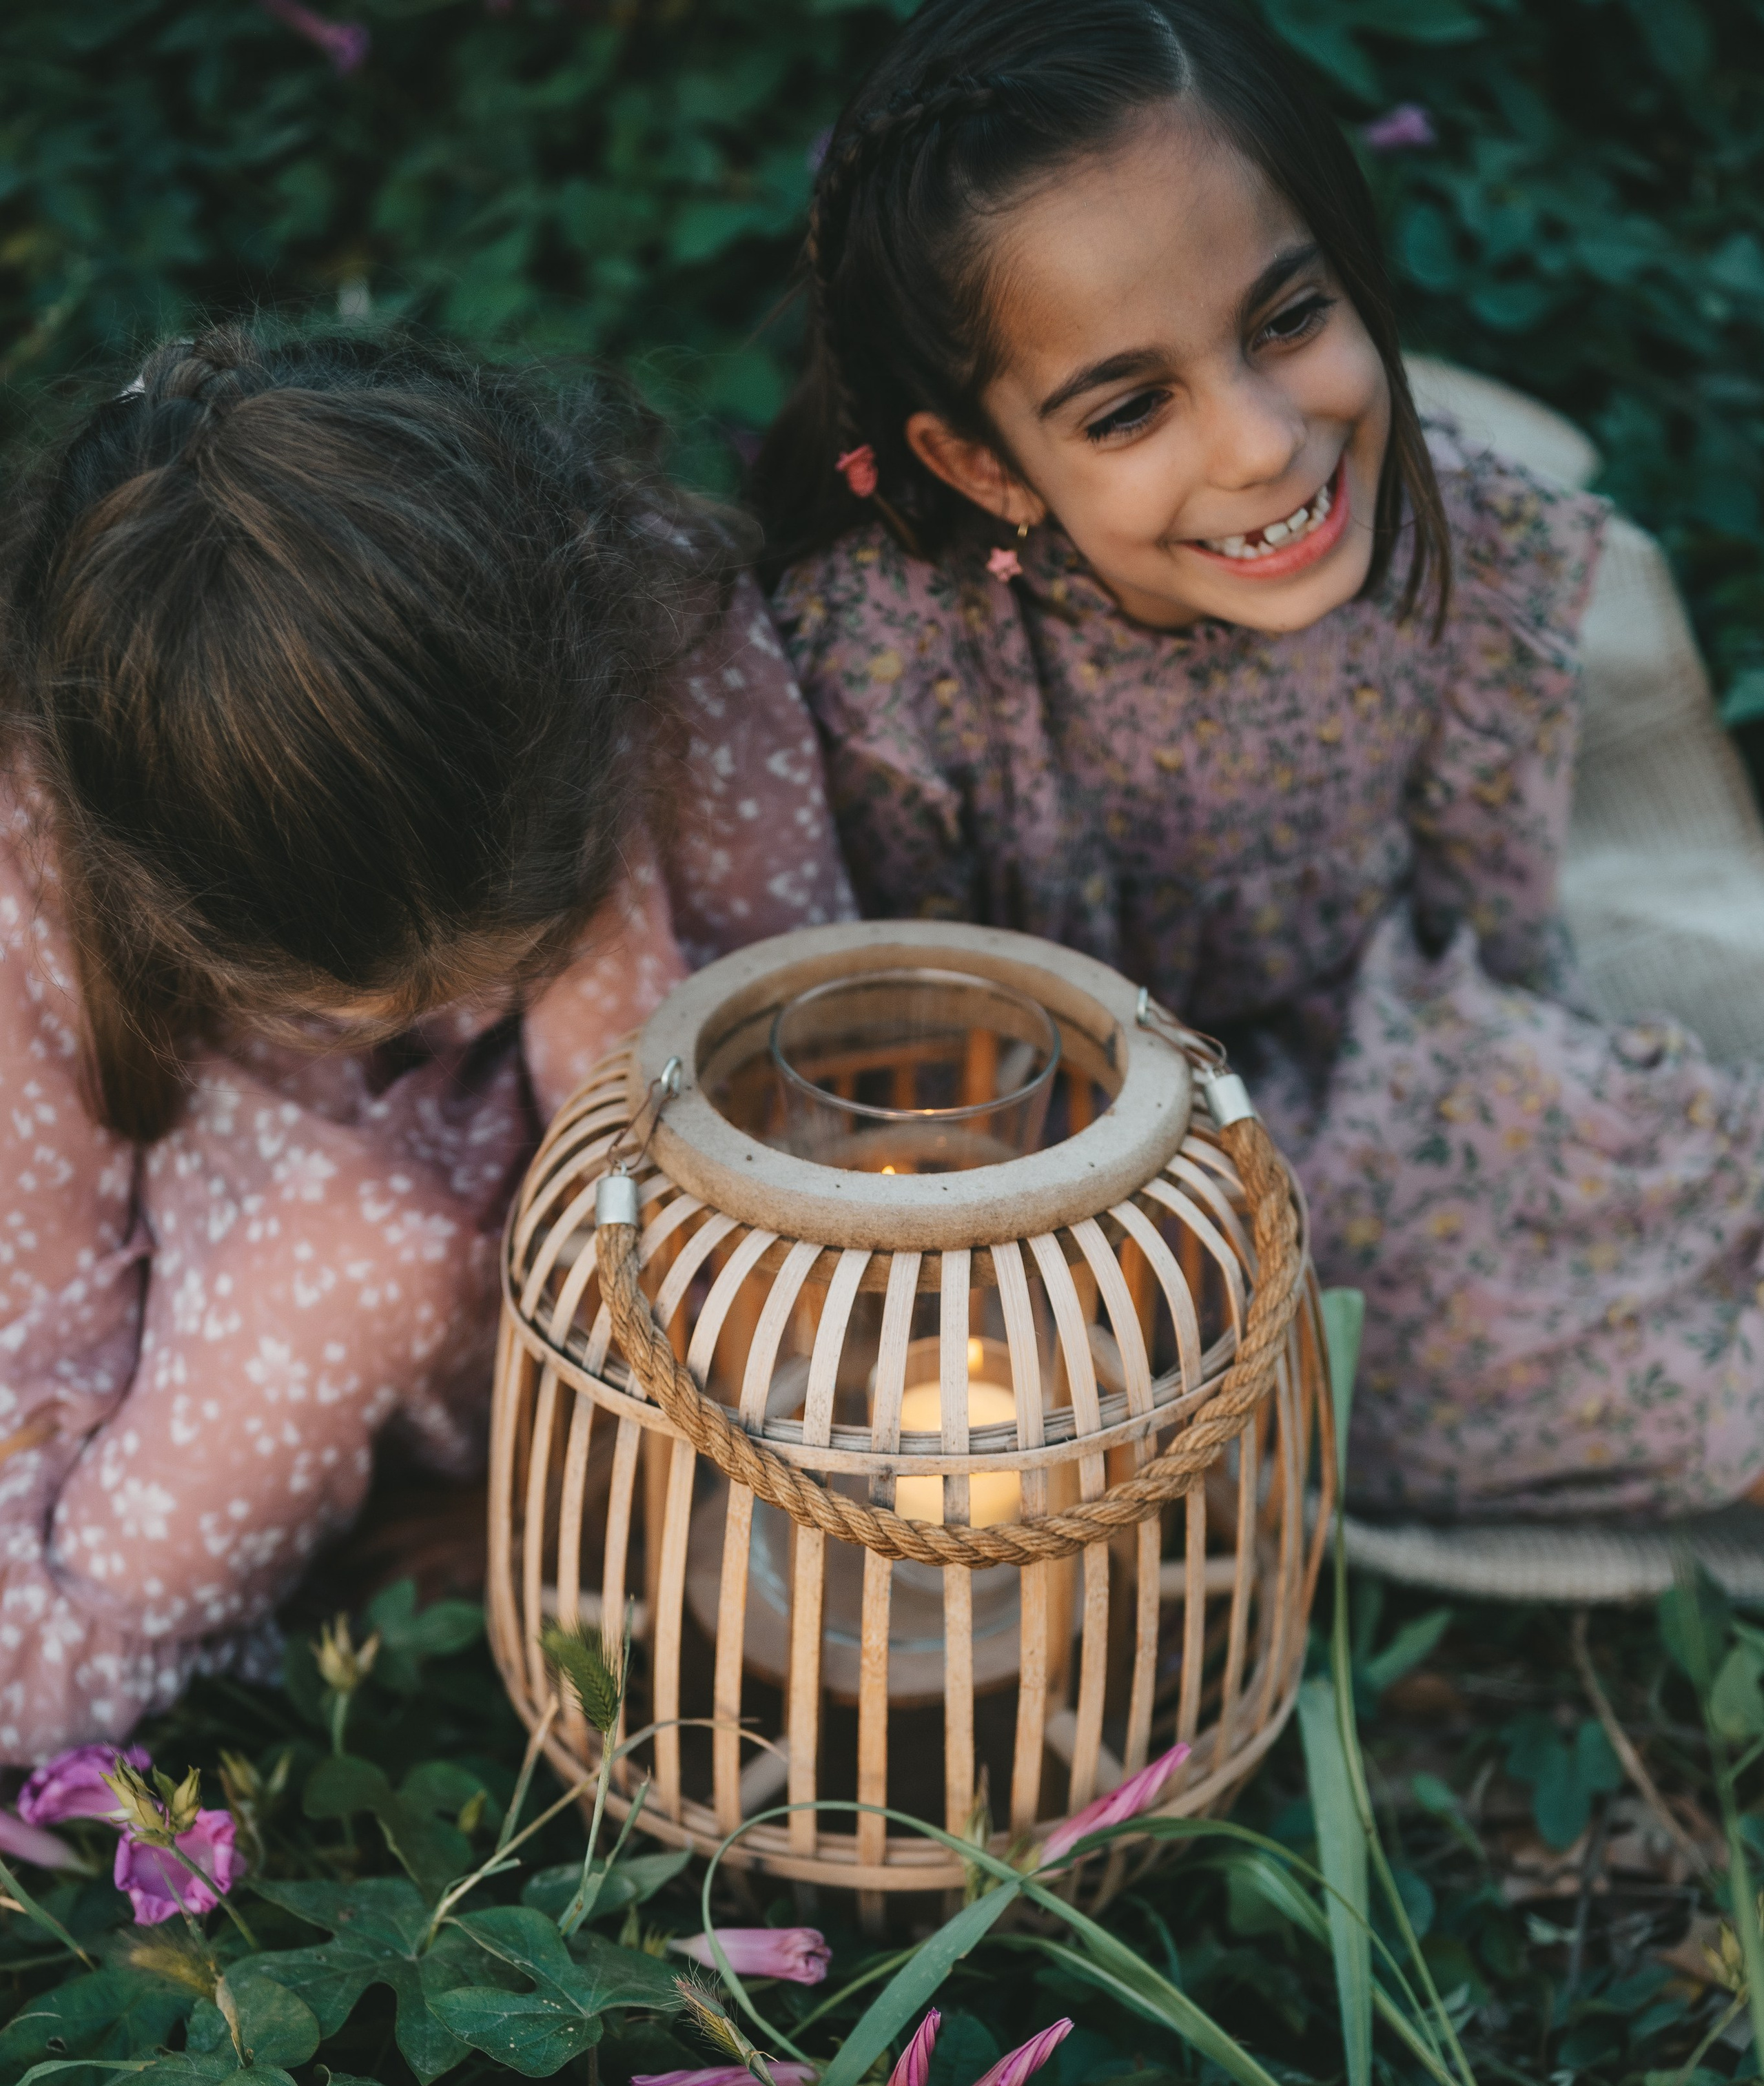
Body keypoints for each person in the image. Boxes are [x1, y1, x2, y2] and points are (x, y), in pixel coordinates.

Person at [759, 0, 1764, 1525]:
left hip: (1388, 1043)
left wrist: (1539, 1132)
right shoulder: (904, 672)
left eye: (1286, 322)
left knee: (1677, 1157)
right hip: (1086, 1187)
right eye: (1128, 407)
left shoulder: (1463, 553)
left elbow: (1481, 932)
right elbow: (908, 1087)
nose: (1257, 444)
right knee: (1413, 1361)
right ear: (982, 462)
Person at [0, 326, 851, 1756]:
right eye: (341, 1003)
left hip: (594, 1274)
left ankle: (604, 1488)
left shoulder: (635, 616)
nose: (405, 1019)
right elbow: (41, 1329)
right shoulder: (38, 831)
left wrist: (581, 1483)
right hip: (242, 1271)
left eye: (485, 958)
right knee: (361, 1256)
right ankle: (113, 1687)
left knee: (741, 1225)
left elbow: (794, 1060)